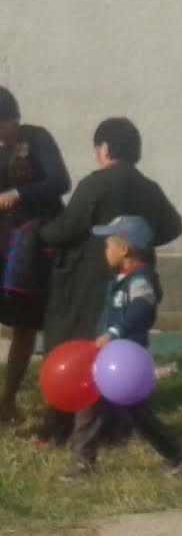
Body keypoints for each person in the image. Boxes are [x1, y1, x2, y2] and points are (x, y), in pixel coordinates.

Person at [37, 118, 182, 442]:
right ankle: (116, 426)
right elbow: (174, 225)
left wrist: (38, 230)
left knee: (78, 347)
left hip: (88, 282)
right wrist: (143, 244)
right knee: (120, 348)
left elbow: (65, 229)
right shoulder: (149, 187)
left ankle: (61, 425)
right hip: (133, 278)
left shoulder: (96, 184)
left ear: (104, 148)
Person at [61, 215, 182, 479]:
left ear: (124, 249)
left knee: (128, 411)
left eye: (108, 245)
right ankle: (85, 462)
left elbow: (143, 309)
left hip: (124, 361)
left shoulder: (140, 280)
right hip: (110, 358)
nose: (105, 251)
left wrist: (114, 332)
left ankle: (175, 453)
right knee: (97, 406)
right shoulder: (123, 278)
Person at [0, 86, 71, 422]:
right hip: (4, 241)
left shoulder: (37, 139)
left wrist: (18, 194)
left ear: (13, 119)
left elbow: (60, 181)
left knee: (27, 322)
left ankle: (8, 400)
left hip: (36, 245)